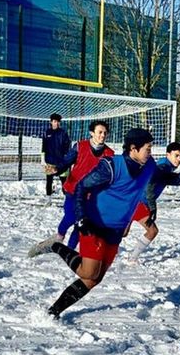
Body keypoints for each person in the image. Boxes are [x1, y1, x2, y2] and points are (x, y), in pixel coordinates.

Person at [36, 128, 157, 319]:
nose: (151, 152)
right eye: (148, 148)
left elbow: (162, 177)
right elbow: (81, 187)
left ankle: (54, 311)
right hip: (95, 223)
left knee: (93, 279)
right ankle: (56, 246)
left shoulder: (148, 164)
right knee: (89, 271)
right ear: (133, 148)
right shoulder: (111, 166)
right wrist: (82, 218)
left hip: (115, 231)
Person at [30, 120, 113, 256]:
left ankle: (68, 250)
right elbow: (66, 162)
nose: (102, 135)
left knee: (80, 224)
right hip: (73, 190)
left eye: (105, 133)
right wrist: (55, 169)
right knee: (70, 216)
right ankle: (59, 237)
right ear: (92, 133)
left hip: (91, 195)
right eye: (99, 132)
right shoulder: (80, 146)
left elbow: (109, 176)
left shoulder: (109, 154)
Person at [124, 142, 180, 263]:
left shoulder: (166, 167)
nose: (179, 159)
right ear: (168, 154)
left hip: (134, 201)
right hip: (138, 203)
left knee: (122, 233)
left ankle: (98, 243)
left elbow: (175, 179)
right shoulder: (162, 167)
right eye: (176, 155)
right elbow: (150, 185)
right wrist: (152, 207)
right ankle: (132, 258)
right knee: (152, 231)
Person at [41, 114, 71, 196]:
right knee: (49, 181)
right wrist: (42, 159)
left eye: (58, 122)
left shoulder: (63, 133)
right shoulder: (47, 133)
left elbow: (67, 146)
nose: (56, 123)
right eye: (54, 121)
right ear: (51, 122)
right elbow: (44, 146)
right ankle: (48, 200)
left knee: (64, 182)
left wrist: (66, 159)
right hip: (49, 161)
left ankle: (66, 200)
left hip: (61, 162)